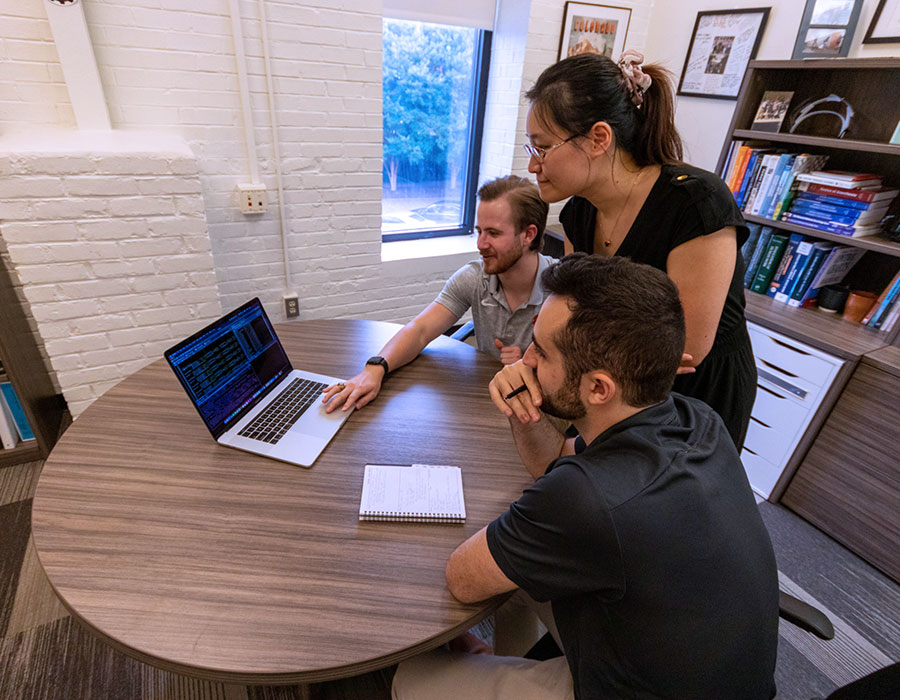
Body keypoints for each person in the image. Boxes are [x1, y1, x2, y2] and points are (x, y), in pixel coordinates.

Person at [392, 254, 779, 700]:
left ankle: (494, 673)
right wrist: (524, 404)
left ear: (598, 388)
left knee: (413, 678)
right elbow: (552, 458)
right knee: (516, 572)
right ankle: (509, 667)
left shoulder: (586, 497)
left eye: (542, 351)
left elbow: (462, 577)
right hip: (709, 664)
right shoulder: (698, 419)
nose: (527, 359)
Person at [523, 50, 756, 449]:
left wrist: (567, 352)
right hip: (617, 381)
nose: (533, 166)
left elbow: (681, 351)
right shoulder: (580, 212)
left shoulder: (694, 203)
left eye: (541, 148)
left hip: (696, 390)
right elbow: (581, 312)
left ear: (599, 138)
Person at [322, 175, 552, 413]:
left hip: (541, 408)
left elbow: (580, 380)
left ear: (528, 235)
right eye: (479, 231)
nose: (481, 244)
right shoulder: (474, 277)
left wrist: (533, 364)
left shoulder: (562, 292)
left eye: (493, 233)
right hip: (489, 402)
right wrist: (374, 369)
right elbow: (420, 330)